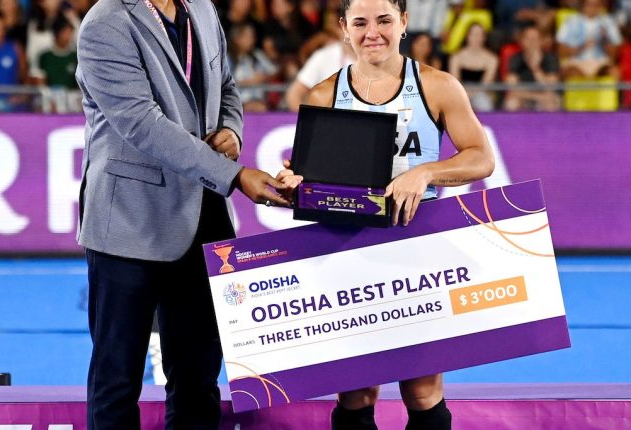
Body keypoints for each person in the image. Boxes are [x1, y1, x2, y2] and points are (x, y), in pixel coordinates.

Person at [276, 0, 494, 428]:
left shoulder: (437, 86)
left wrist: (426, 172)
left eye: (384, 21)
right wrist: (295, 185)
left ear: (404, 23)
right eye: (360, 22)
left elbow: (481, 158)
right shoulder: (324, 95)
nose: (372, 32)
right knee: (355, 391)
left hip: (419, 248)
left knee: (422, 390)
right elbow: (314, 185)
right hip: (351, 249)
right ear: (344, 28)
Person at [74, 0, 289, 428]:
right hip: (130, 223)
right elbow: (142, 125)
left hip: (204, 219)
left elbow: (226, 85)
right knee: (117, 381)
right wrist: (234, 175)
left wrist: (231, 130)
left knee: (198, 378)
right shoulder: (105, 23)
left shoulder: (202, 8)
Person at [503, 24, 560, 111]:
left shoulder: (551, 58)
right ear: (522, 41)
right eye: (528, 39)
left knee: (550, 103)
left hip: (544, 97)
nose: (532, 42)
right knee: (511, 103)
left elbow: (550, 87)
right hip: (527, 97)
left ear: (541, 41)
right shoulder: (515, 59)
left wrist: (535, 69)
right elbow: (512, 89)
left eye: (535, 39)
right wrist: (536, 97)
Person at [448, 22, 498, 111]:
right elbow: (455, 83)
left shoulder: (492, 59)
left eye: (479, 35)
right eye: (473, 34)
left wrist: (472, 94)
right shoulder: (456, 57)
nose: (476, 38)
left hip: (481, 93)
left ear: (484, 38)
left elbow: (486, 84)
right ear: (467, 36)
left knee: (484, 103)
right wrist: (465, 95)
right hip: (460, 93)